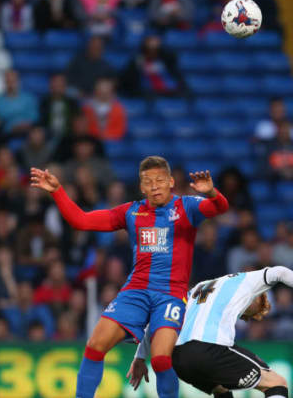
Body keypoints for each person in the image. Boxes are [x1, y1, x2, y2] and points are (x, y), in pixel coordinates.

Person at [30, 155, 229, 398]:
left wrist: (211, 193)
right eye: (148, 181)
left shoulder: (187, 207)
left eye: (159, 180)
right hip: (135, 292)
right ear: (141, 187)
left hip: (170, 295)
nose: (154, 186)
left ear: (171, 182)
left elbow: (220, 208)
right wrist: (58, 191)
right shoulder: (131, 213)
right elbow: (81, 220)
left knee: (161, 359)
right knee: (94, 346)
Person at [128, 266, 293, 398]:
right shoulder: (249, 280)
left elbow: (162, 318)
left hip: (180, 360)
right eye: (259, 304)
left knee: (221, 390)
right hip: (210, 349)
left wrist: (139, 357)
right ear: (258, 295)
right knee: (277, 383)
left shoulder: (197, 288)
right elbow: (281, 272)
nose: (251, 313)